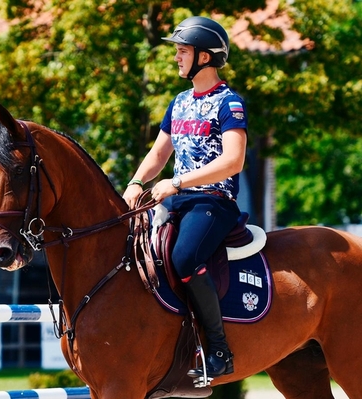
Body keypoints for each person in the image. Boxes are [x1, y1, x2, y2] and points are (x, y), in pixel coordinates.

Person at [123, 16, 247, 380]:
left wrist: (176, 184)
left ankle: (219, 349)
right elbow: (159, 154)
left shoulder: (230, 103)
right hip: (175, 198)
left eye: (182, 51)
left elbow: (233, 160)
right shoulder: (178, 102)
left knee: (185, 256)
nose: (176, 58)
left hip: (214, 202)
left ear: (205, 57)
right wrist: (135, 181)